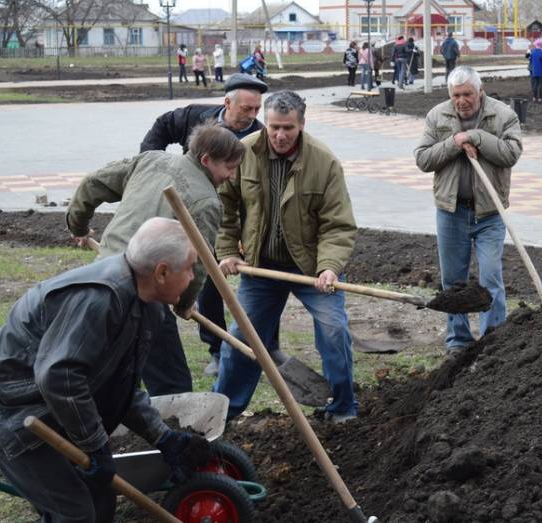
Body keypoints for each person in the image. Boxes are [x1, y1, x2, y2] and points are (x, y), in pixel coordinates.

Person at [0, 217, 209, 523]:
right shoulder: (99, 300)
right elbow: (59, 378)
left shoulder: (148, 307)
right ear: (161, 272)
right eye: (189, 268)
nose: (192, 277)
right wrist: (96, 445)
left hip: (48, 398)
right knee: (74, 512)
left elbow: (121, 385)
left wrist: (163, 438)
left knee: (100, 497)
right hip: (6, 402)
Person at [67, 124, 246, 396]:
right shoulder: (207, 201)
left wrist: (78, 225)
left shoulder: (150, 159)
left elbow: (94, 183)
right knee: (171, 383)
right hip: (147, 293)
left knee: (111, 368)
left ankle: (115, 426)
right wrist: (184, 303)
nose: (231, 176)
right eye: (229, 168)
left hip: (101, 276)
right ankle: (174, 433)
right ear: (206, 160)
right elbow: (197, 263)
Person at [213, 91, 359, 422]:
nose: (279, 136)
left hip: (311, 271)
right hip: (260, 269)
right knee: (240, 340)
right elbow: (226, 207)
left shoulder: (324, 162)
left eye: (288, 128)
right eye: (274, 127)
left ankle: (342, 408)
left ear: (302, 125)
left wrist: (329, 267)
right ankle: (223, 413)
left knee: (334, 332)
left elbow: (338, 224)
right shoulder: (245, 152)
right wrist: (226, 251)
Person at [139, 73, 268, 377]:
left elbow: (256, 194)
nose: (251, 116)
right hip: (186, 207)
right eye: (245, 109)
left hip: (226, 214)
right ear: (227, 103)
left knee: (212, 275)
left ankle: (250, 345)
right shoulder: (198, 117)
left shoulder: (258, 139)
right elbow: (162, 126)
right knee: (199, 273)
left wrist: (241, 236)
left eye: (256, 110)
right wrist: (155, 162)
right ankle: (215, 347)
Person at [413, 67, 523, 357]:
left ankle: (493, 339)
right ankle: (458, 340)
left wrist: (475, 136)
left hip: (489, 213)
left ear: (480, 91)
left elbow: (511, 153)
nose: (462, 100)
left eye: (468, 94)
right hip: (451, 212)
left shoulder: (502, 115)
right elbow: (423, 159)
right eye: (456, 95)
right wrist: (453, 143)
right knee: (453, 281)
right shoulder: (437, 116)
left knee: (490, 277)